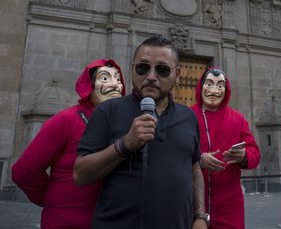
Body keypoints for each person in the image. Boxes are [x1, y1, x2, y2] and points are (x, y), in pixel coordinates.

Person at [73, 36, 208, 229]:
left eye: (162, 69)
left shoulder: (188, 117)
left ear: (177, 75)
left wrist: (200, 216)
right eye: (143, 67)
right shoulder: (108, 111)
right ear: (132, 68)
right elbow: (80, 175)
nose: (151, 76)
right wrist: (124, 144)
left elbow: (194, 169)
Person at [12, 59, 125, 228]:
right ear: (89, 85)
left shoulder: (124, 125)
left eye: (118, 79)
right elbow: (24, 171)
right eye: (104, 78)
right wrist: (51, 198)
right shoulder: (66, 120)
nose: (115, 85)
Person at [191, 67, 260, 229]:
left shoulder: (238, 119)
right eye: (209, 84)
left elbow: (255, 153)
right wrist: (199, 159)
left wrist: (244, 155)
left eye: (220, 85)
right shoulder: (187, 115)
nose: (214, 90)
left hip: (229, 206)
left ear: (226, 90)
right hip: (192, 204)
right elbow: (175, 153)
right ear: (201, 86)